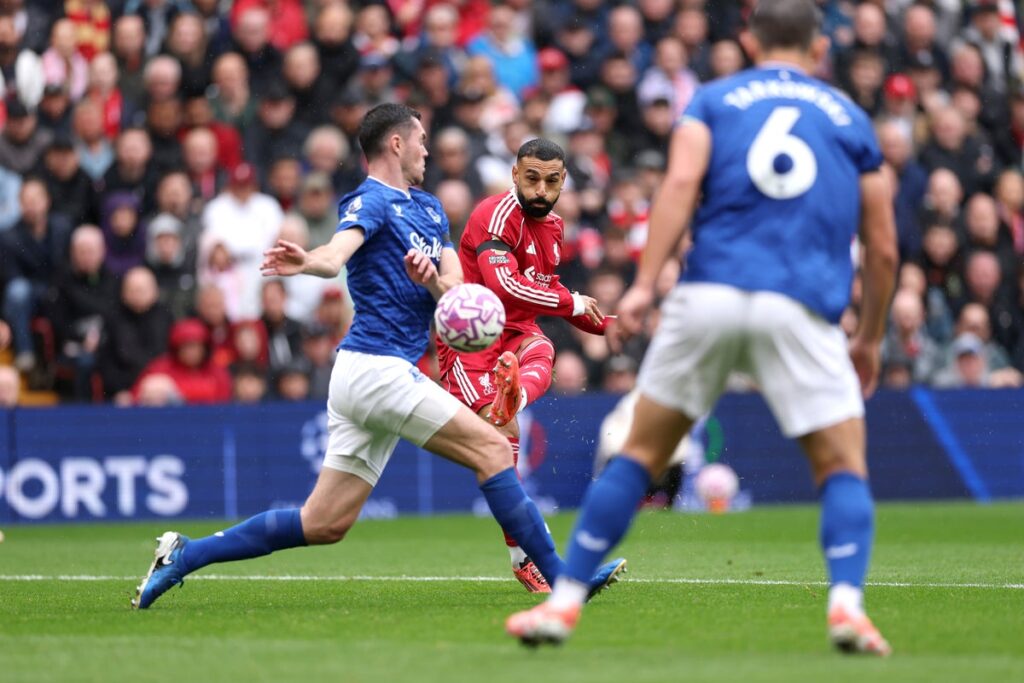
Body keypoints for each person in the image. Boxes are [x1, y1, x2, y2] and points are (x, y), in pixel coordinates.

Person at [506, 0, 898, 656]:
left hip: (709, 292)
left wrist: (640, 283)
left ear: (747, 38)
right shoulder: (850, 118)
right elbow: (883, 247)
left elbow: (681, 184)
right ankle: (848, 607)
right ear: (820, 45)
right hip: (801, 302)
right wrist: (870, 337)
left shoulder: (714, 99)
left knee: (639, 454)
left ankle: (564, 602)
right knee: (840, 466)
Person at [131, 103, 625, 610]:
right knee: (495, 450)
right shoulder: (370, 200)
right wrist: (307, 261)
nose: (427, 150)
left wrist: (433, 281)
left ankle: (185, 555)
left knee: (322, 524)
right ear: (396, 144)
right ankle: (563, 579)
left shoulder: (431, 208)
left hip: (371, 375)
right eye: (422, 140)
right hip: (375, 367)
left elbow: (456, 284)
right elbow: (335, 254)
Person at [436, 138, 611, 593]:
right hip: (472, 340)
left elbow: (542, 292)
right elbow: (506, 285)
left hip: (517, 335)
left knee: (544, 351)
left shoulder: (554, 227)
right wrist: (573, 302)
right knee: (502, 443)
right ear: (515, 174)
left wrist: (603, 322)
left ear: (563, 182)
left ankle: (512, 395)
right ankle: (525, 559)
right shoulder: (493, 216)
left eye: (551, 181)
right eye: (531, 178)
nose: (540, 189)